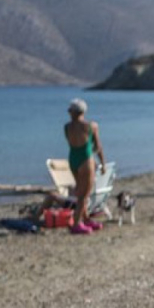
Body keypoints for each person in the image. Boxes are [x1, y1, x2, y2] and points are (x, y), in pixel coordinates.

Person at [64, 98, 106, 235]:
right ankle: (76, 224)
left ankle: (86, 218)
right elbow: (98, 146)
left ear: (72, 112)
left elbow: (71, 142)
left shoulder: (67, 127)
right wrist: (103, 163)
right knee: (84, 195)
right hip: (85, 160)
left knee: (80, 190)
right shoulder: (91, 126)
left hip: (73, 159)